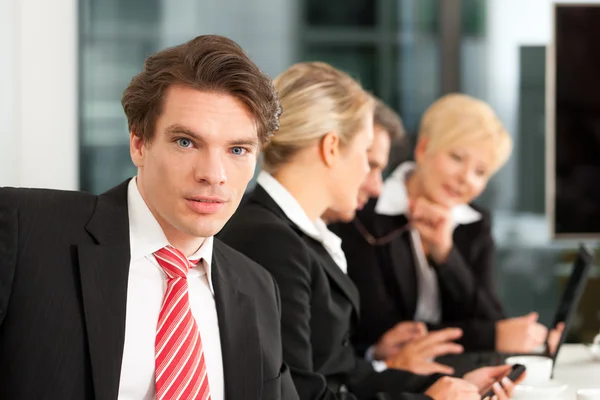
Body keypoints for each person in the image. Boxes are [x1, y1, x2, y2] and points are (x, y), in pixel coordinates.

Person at [0, 35, 298, 400]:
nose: (213, 174)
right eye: (186, 142)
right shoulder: (24, 230)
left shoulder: (257, 288)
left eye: (238, 149)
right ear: (139, 143)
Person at [219, 63, 518, 400]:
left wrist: (439, 386)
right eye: (366, 155)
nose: (373, 184)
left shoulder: (299, 235)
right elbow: (303, 394)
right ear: (331, 147)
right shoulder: (268, 239)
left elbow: (342, 372)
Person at [333, 93, 563, 370]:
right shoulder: (365, 211)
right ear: (422, 149)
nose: (465, 178)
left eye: (480, 171)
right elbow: (388, 332)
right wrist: (491, 336)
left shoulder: (474, 222)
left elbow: (490, 316)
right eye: (456, 157)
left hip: (459, 370)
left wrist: (446, 255)